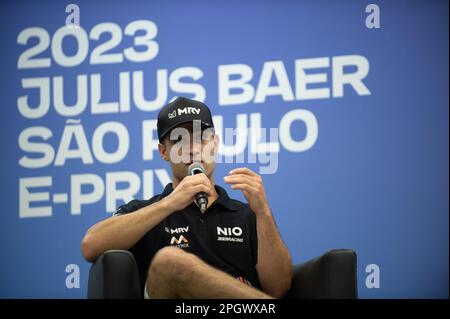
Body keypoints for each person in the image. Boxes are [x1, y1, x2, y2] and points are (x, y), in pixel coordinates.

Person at [81, 96, 293, 298]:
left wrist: (264, 212)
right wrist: (170, 203)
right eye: (180, 142)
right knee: (169, 262)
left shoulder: (247, 215)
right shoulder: (145, 212)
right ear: (164, 152)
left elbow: (279, 288)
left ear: (216, 143)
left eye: (202, 138)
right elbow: (91, 245)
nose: (192, 149)